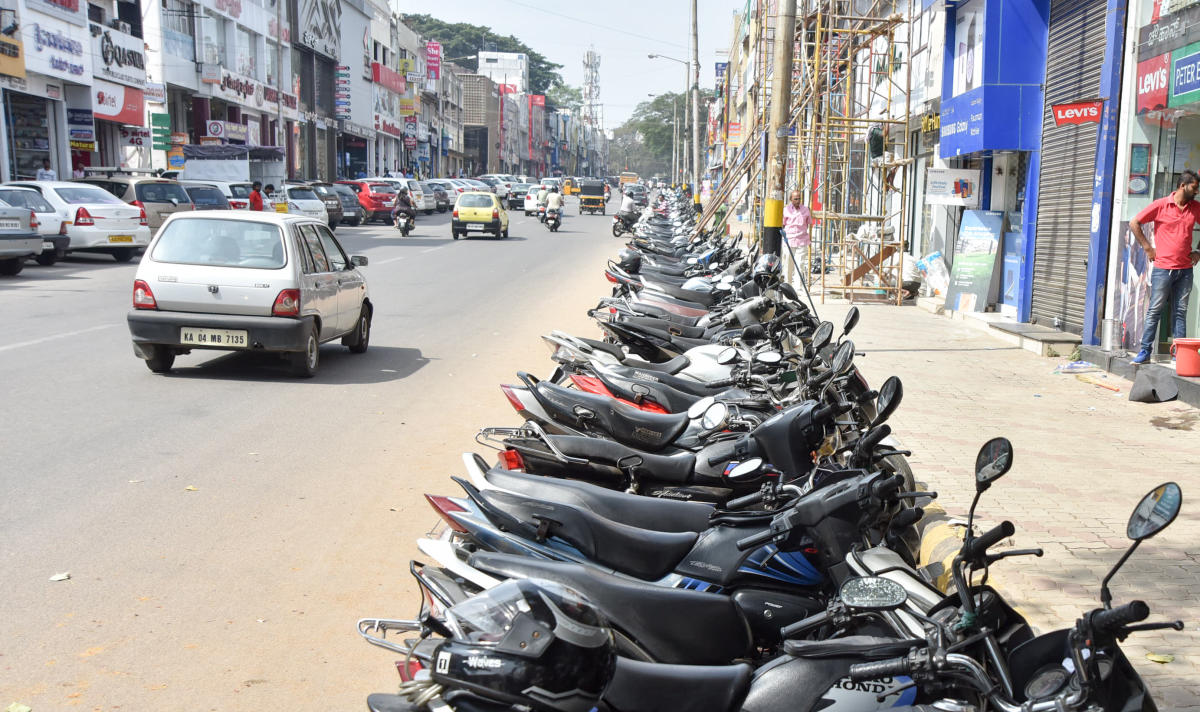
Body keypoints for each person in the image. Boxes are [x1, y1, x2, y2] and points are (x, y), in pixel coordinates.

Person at [1129, 169, 1200, 364]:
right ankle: (1145, 351)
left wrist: (1198, 252)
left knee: (1180, 312)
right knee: (1155, 310)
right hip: (1163, 269)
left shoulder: (1195, 208)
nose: (1197, 192)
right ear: (1182, 186)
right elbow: (1135, 223)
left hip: (1185, 270)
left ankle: (1179, 354)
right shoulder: (1161, 205)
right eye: (1194, 188)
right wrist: (1147, 247)